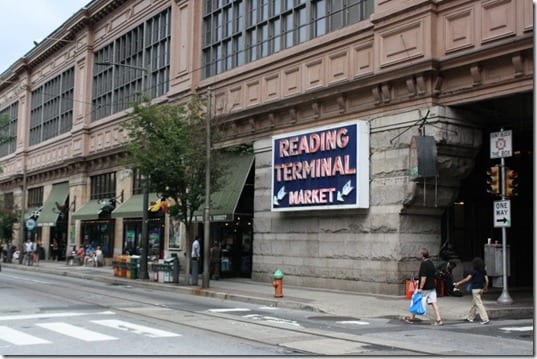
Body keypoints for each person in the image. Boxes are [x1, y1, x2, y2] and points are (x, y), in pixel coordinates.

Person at [402, 247, 444, 325]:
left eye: (420, 254)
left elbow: (423, 277)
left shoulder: (424, 264)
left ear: (422, 255)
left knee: (415, 300)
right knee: (433, 302)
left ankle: (412, 318)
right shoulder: (431, 263)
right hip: (432, 287)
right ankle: (439, 319)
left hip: (425, 287)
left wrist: (420, 287)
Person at [454, 257, 490, 324]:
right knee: (475, 303)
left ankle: (485, 319)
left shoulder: (473, 271)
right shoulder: (483, 271)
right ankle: (470, 318)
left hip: (475, 289)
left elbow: (467, 279)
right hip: (481, 289)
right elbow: (487, 280)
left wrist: (458, 283)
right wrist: (486, 287)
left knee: (479, 304)